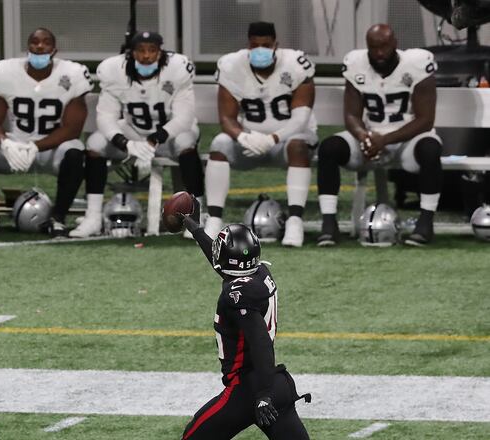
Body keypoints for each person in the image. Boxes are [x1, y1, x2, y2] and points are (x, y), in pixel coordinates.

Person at [177, 202, 310, 439]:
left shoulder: (235, 296)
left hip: (249, 388)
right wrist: (197, 230)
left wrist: (262, 396)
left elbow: (260, 342)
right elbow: (227, 265)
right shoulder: (260, 273)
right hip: (278, 384)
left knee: (192, 437)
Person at [69, 31, 204, 238]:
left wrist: (154, 140)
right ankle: (93, 216)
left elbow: (184, 118)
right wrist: (125, 143)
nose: (146, 56)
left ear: (161, 53)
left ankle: (196, 216)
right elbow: (106, 116)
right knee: (95, 143)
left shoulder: (177, 69)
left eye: (152, 50)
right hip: (133, 132)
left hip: (168, 134)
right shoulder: (115, 70)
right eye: (141, 50)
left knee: (186, 140)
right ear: (131, 53)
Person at [317, 24, 442, 247]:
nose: (379, 53)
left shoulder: (417, 64)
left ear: (395, 44)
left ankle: (426, 222)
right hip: (370, 138)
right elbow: (351, 115)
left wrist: (384, 140)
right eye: (374, 47)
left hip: (408, 141)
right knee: (330, 148)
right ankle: (329, 224)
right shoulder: (357, 64)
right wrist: (364, 137)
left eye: (384, 46)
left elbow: (425, 120)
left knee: (430, 149)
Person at [0, 28, 91, 238]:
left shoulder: (73, 73)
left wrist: (36, 146)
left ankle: (58, 219)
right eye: (35, 42)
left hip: (51, 148)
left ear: (54, 49)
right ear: (27, 47)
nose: (40, 46)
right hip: (15, 144)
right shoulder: (6, 71)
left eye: (46, 42)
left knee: (75, 151)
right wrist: (5, 143)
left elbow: (72, 129)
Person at [204, 22, 317, 247]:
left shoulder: (296, 64)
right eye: (255, 45)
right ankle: (214, 219)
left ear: (276, 44)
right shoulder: (231, 65)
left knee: (298, 147)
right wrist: (243, 137)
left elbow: (300, 120)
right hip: (250, 141)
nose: (260, 50)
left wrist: (273, 138)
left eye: (266, 45)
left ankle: (295, 221)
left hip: (287, 140)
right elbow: (226, 118)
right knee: (219, 143)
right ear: (248, 45)